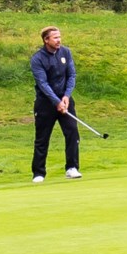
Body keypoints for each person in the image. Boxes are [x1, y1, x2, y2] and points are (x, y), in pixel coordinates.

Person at [31, 25, 81, 181]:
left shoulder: (65, 52)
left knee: (72, 132)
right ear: (46, 40)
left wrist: (66, 96)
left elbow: (71, 75)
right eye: (55, 38)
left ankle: (72, 168)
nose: (59, 40)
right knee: (42, 138)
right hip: (46, 103)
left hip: (65, 100)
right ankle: (39, 173)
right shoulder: (37, 59)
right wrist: (56, 102)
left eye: (59, 37)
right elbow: (42, 84)